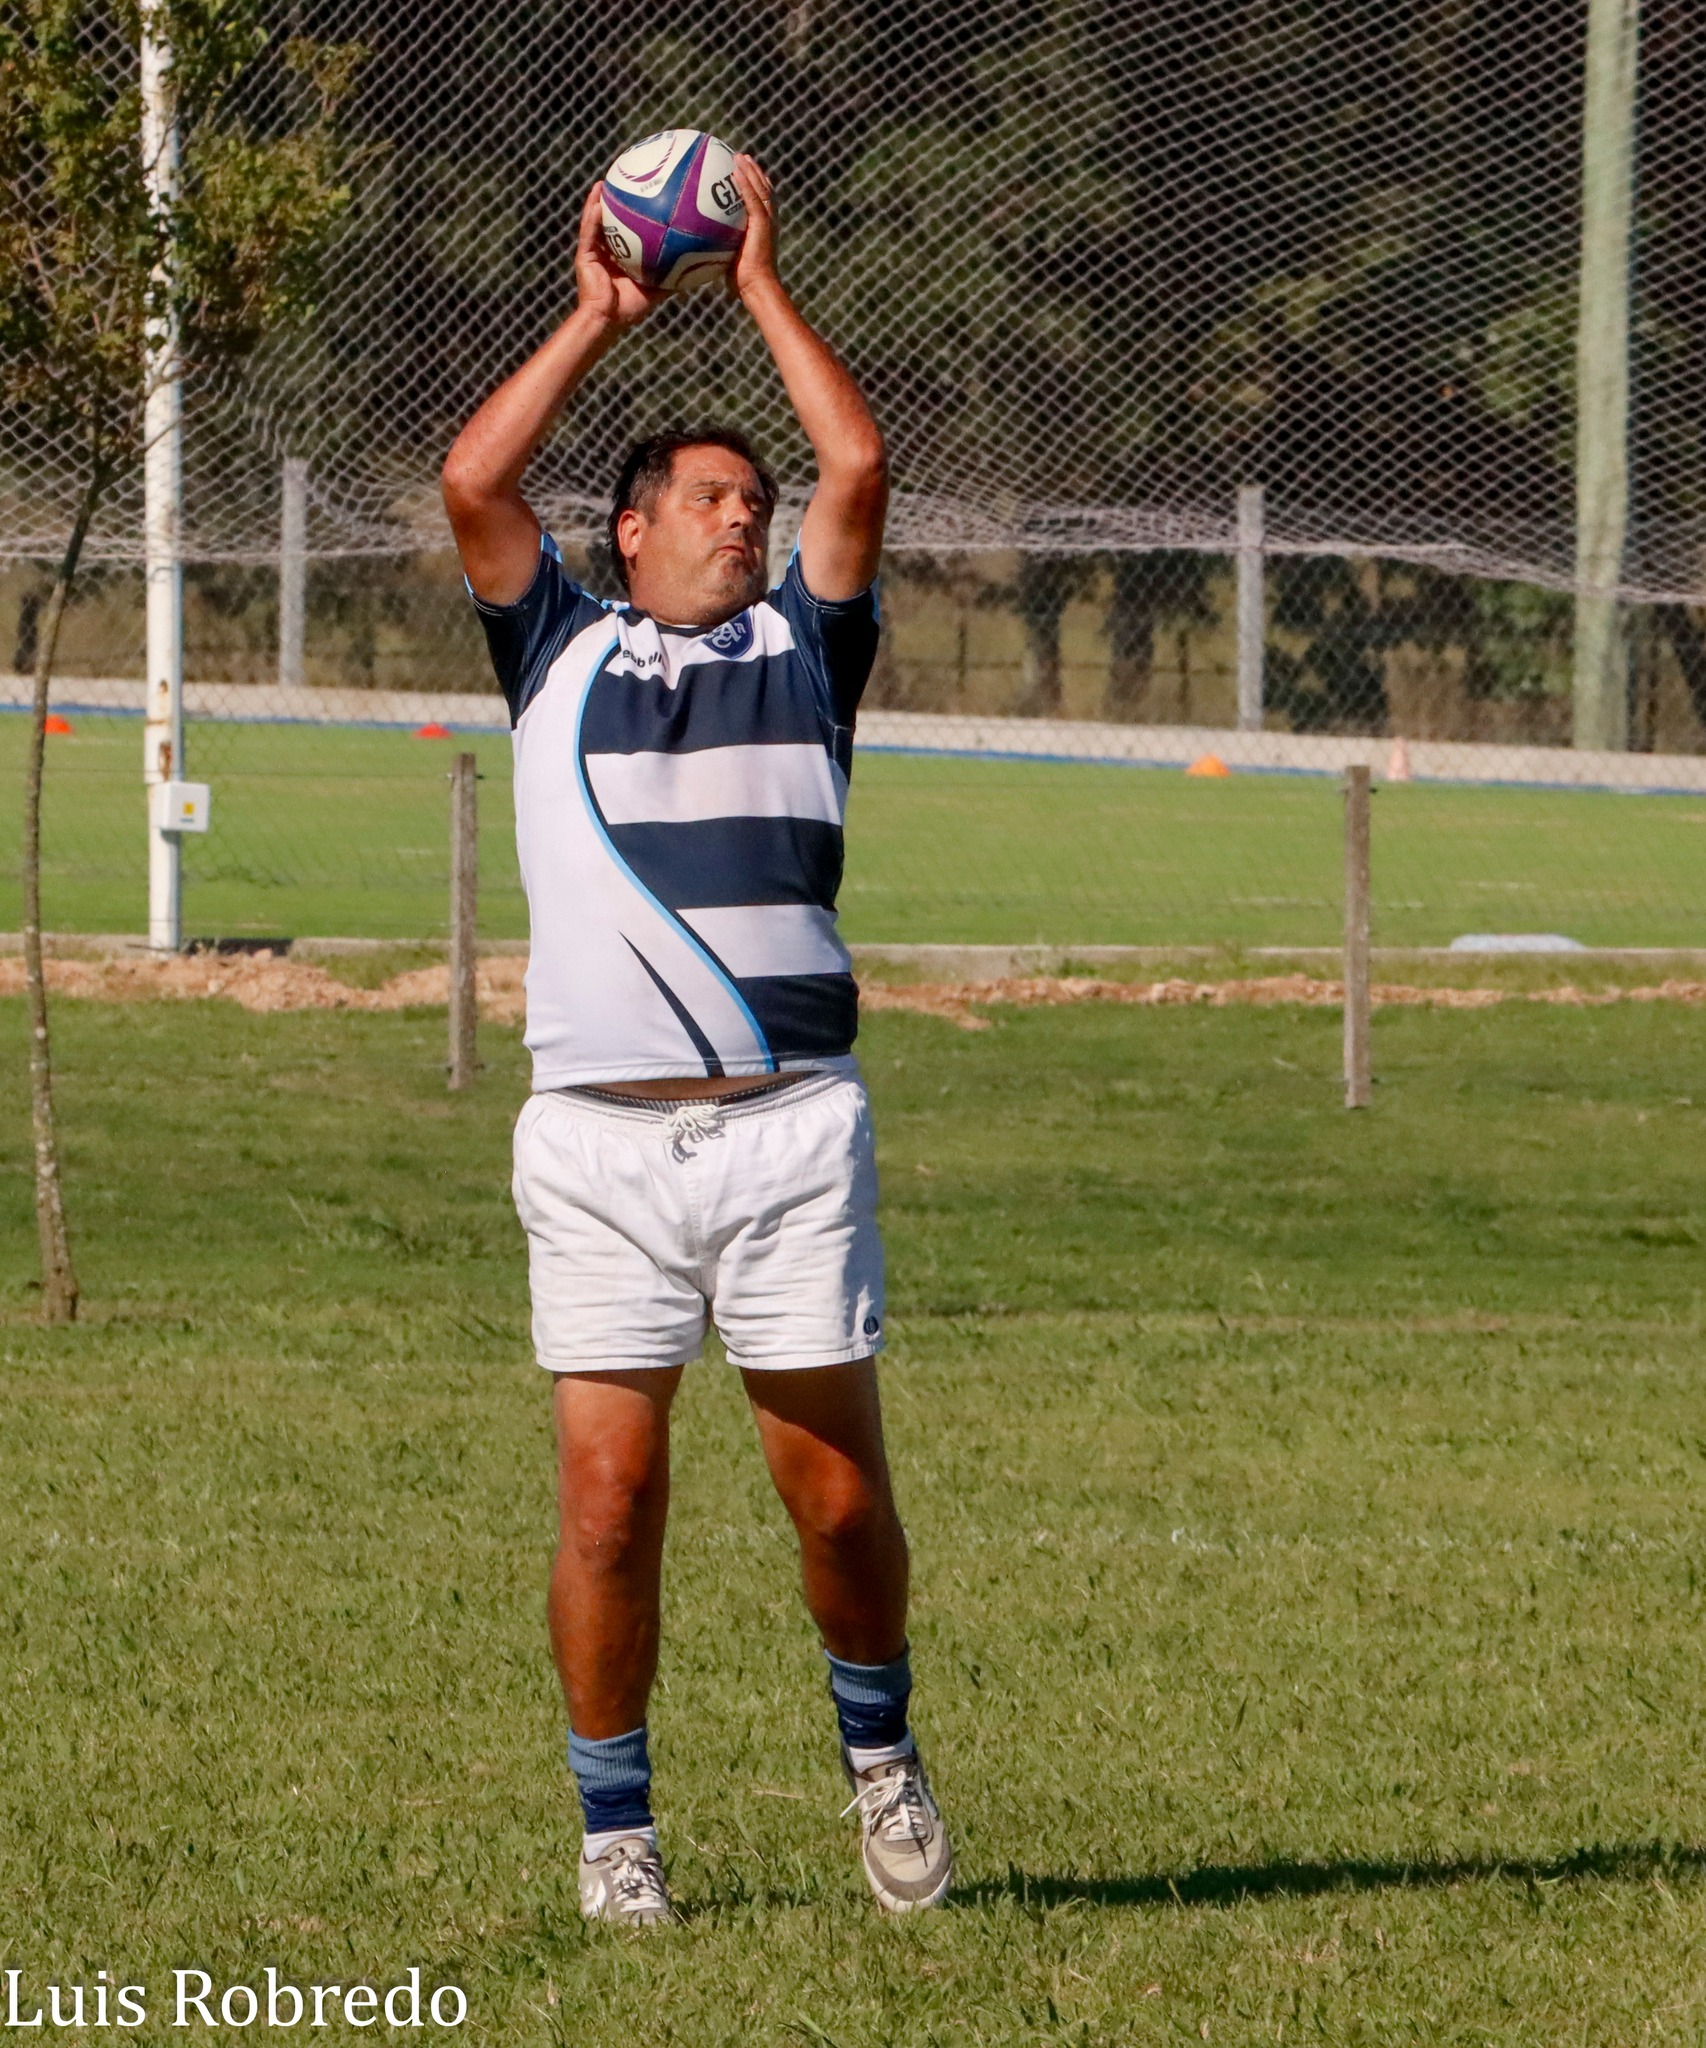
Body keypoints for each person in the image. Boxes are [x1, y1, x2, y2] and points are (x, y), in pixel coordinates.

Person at [439, 158, 950, 1927]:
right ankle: (614, 1836)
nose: (745, 517)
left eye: (754, 498)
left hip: (788, 1127)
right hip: (594, 1138)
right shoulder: (554, 648)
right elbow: (472, 479)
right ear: (633, 528)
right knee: (607, 1502)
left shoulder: (809, 649)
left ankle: (879, 1763)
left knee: (830, 1506)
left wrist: (753, 286)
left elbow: (862, 466)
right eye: (710, 499)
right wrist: (599, 309)